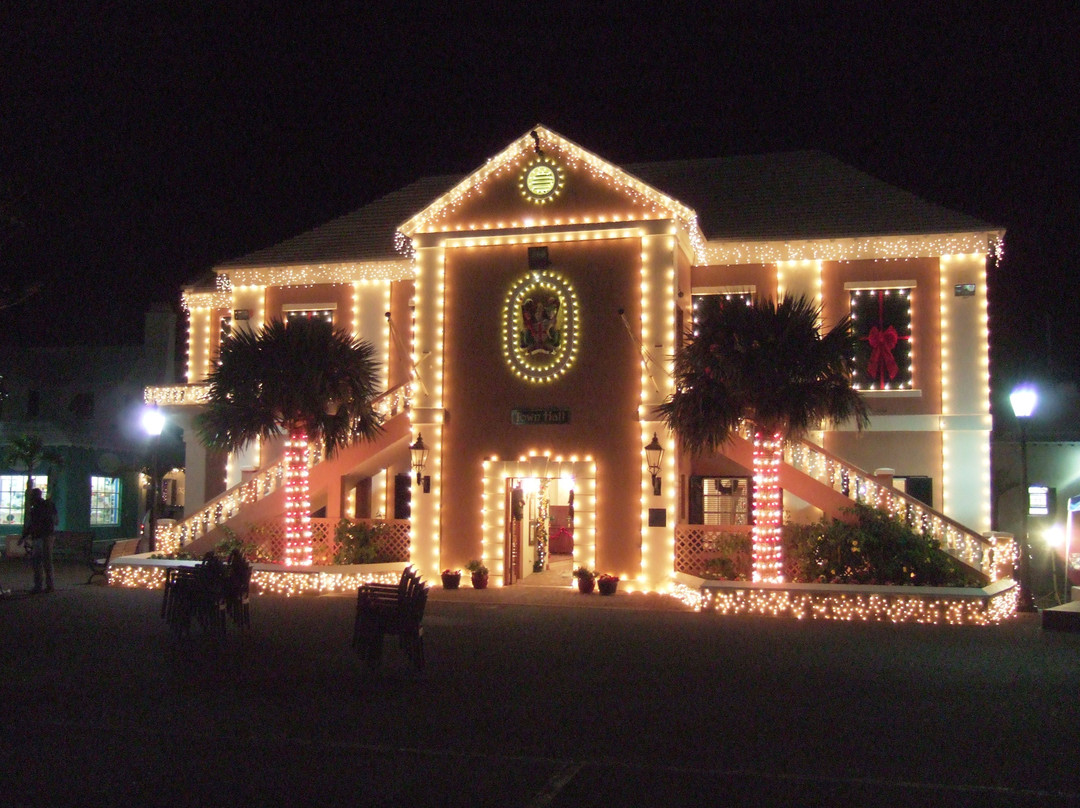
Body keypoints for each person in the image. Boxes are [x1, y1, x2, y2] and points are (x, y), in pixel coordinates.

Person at [21, 488, 58, 594]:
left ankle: (39, 585)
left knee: (38, 562)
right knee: (46, 561)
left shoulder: (36, 508)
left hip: (40, 537)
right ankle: (49, 585)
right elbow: (56, 520)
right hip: (47, 536)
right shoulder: (48, 505)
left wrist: (24, 536)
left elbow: (32, 525)